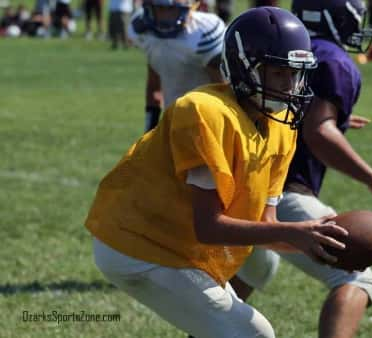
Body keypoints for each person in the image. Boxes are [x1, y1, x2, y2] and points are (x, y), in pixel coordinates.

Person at [86, 7, 349, 338]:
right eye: (278, 72)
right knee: (254, 334)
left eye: (296, 73)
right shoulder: (204, 113)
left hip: (177, 240)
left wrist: (316, 243)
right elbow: (209, 227)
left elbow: (266, 225)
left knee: (262, 266)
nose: (291, 84)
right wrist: (296, 231)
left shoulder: (283, 128)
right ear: (245, 67)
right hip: (136, 243)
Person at [229, 1, 372, 338]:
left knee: (257, 268)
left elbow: (288, 111)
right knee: (356, 276)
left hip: (242, 188)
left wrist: (330, 117)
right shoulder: (334, 59)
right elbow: (318, 131)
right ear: (336, 17)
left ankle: (206, 327)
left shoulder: (282, 49)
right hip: (280, 192)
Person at [128, 0, 226, 132]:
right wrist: (149, 132)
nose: (164, 16)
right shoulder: (146, 34)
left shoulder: (201, 33)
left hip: (206, 124)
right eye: (160, 8)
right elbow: (154, 88)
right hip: (173, 123)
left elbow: (225, 93)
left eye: (171, 9)